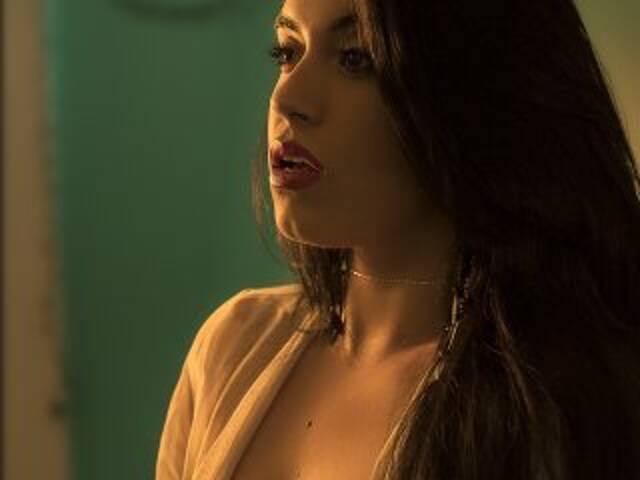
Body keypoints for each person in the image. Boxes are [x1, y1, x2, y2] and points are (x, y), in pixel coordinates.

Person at [156, 0, 640, 478]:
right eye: (287, 52)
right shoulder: (233, 346)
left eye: (355, 59)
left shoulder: (553, 408)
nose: (288, 98)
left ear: (475, 99)